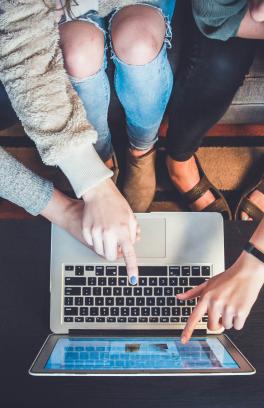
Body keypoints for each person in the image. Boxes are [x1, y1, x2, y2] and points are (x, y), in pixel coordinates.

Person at [0, 0, 176, 285]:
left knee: (139, 41)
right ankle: (100, 157)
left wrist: (83, 197)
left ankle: (141, 151)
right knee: (76, 52)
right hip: (62, 11)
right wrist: (92, 183)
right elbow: (24, 40)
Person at [164, 0, 264, 342]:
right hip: (225, 11)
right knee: (219, 66)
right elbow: (213, 15)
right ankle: (177, 158)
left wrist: (254, 262)